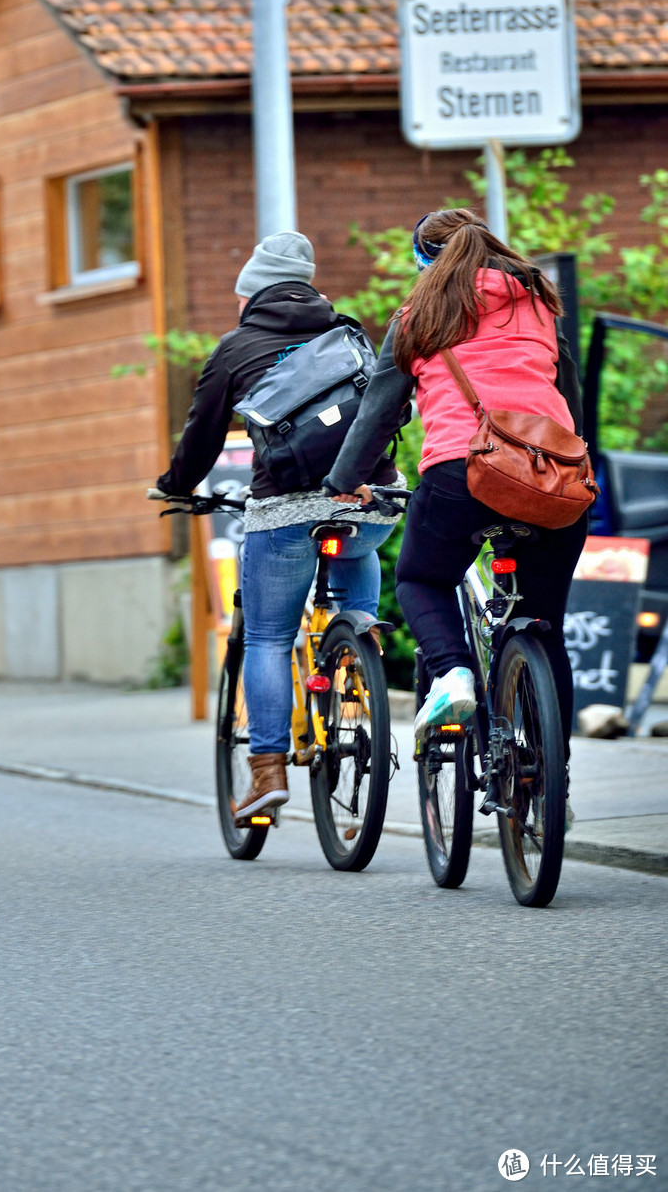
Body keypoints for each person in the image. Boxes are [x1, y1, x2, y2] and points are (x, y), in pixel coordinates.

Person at [155, 231, 403, 825]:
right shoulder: (347, 335)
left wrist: (174, 486)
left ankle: (266, 771)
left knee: (268, 637)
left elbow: (202, 438)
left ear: (250, 296)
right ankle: (358, 660)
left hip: (285, 509)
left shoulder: (235, 348)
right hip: (367, 500)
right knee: (354, 565)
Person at [325, 209, 586, 760]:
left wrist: (344, 481)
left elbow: (379, 412)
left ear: (425, 262)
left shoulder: (419, 314)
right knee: (541, 628)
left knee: (420, 578)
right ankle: (550, 777)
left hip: (460, 473)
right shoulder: (538, 305)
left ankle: (454, 675)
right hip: (551, 477)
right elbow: (571, 397)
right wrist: (566, 470)